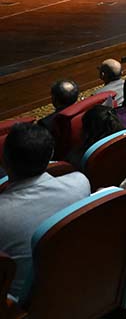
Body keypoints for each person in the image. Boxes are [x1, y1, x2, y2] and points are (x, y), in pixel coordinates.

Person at [0, 123, 91, 299]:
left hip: (21, 305)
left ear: (4, 160)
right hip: (78, 286)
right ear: (51, 155)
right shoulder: (80, 183)